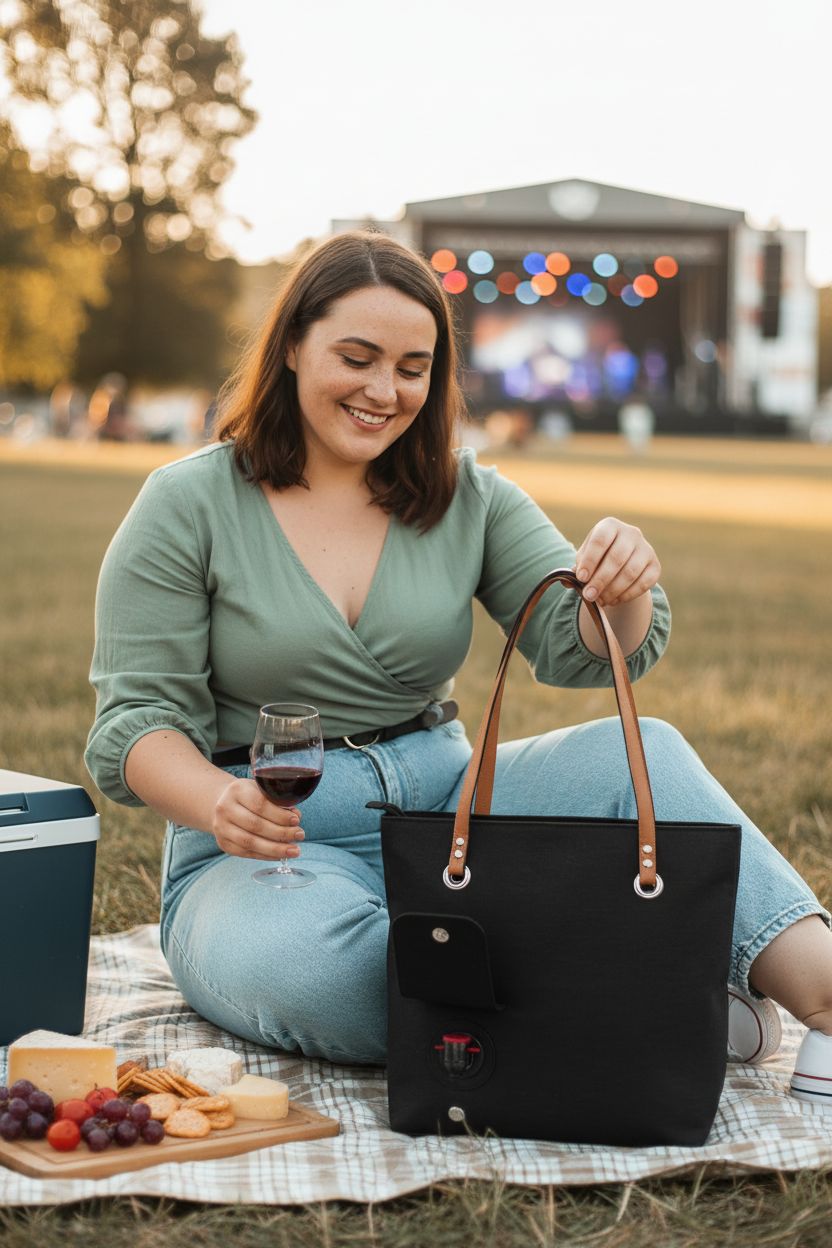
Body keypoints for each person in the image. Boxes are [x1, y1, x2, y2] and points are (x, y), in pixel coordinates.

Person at [86, 231, 832, 1106]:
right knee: (321, 976)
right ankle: (662, 988)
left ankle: (820, 997)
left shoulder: (466, 495)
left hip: (450, 809)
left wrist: (621, 588)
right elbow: (134, 726)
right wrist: (220, 803)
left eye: (412, 367)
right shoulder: (188, 503)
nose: (383, 391)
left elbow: (577, 645)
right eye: (356, 358)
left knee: (648, 753)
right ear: (291, 346)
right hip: (263, 847)